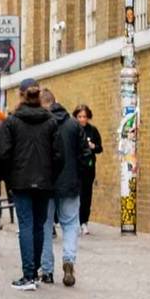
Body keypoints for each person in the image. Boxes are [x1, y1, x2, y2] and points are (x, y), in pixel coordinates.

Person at [0, 79, 62, 291]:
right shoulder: (51, 121)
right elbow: (59, 155)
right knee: (40, 225)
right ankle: (34, 273)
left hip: (21, 182)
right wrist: (51, 176)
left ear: (21, 95)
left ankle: (28, 275)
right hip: (44, 182)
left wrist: (10, 178)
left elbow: (3, 154)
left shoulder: (12, 121)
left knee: (26, 225)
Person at [40, 90, 92, 287]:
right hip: (70, 184)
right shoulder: (73, 124)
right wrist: (78, 174)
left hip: (46, 184)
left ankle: (46, 270)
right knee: (70, 225)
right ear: (57, 101)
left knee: (45, 226)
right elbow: (85, 154)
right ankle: (69, 259)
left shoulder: (43, 125)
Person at [74, 104, 103, 234]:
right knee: (77, 194)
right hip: (76, 167)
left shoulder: (93, 130)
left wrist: (93, 146)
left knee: (87, 195)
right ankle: (76, 221)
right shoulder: (73, 130)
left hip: (89, 167)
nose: (82, 119)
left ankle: (84, 221)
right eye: (79, 116)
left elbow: (100, 148)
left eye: (84, 116)